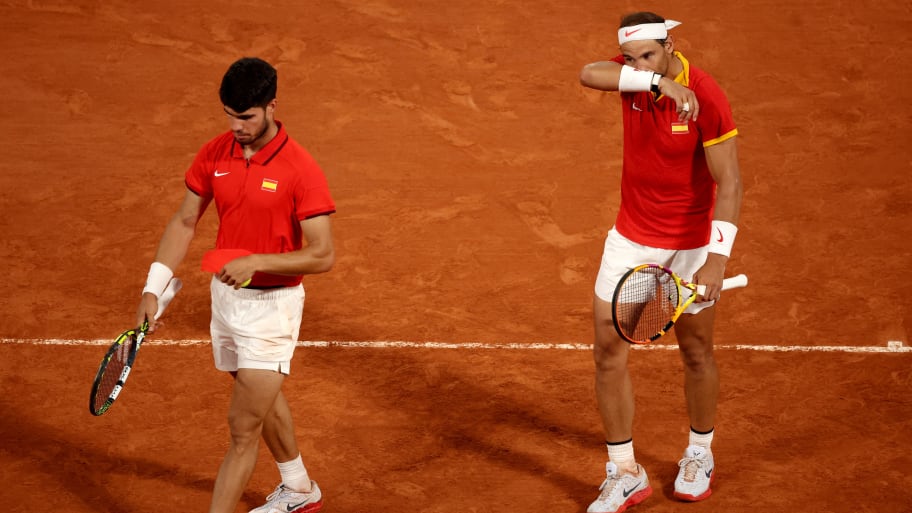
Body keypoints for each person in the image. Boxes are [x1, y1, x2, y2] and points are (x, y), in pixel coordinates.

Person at [135, 57, 336, 513]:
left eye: (246, 116)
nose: (236, 125)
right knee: (257, 394)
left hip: (273, 308)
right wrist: (154, 286)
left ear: (271, 107)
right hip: (225, 299)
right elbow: (185, 220)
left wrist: (258, 261)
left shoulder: (300, 168)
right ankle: (300, 488)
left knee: (242, 430)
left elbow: (323, 253)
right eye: (229, 114)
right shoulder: (214, 153)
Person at [578, 11, 743, 513]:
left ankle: (699, 454)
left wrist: (716, 259)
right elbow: (589, 73)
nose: (637, 63)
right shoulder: (635, 77)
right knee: (608, 351)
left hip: (691, 243)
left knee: (695, 352)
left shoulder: (707, 93)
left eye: (650, 54)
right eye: (631, 58)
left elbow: (730, 182)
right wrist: (655, 82)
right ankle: (624, 472)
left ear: (671, 45)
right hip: (631, 237)